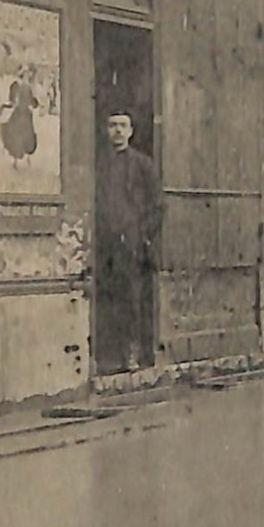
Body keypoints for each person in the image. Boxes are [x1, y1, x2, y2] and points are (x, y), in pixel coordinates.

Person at [95, 111, 161, 373]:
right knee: (108, 297)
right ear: (105, 130)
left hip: (133, 244)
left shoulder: (143, 165)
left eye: (123, 125)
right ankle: (108, 354)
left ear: (131, 131)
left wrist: (142, 236)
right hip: (106, 243)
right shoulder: (99, 165)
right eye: (112, 125)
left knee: (133, 299)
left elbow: (157, 206)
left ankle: (133, 353)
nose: (118, 131)